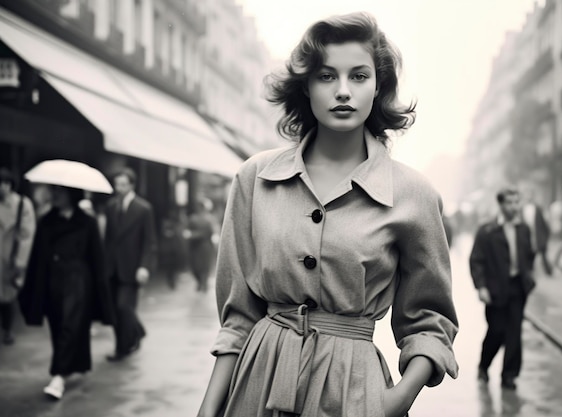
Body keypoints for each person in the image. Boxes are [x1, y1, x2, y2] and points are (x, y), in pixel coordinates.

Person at [197, 13, 458, 417]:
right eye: (325, 76)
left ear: (378, 86)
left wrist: (394, 401)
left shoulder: (413, 195)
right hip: (258, 382)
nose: (342, 91)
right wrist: (208, 410)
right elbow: (238, 319)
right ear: (306, 86)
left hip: (353, 392)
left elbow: (428, 321)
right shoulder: (255, 177)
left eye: (358, 76)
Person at [18, 185, 116, 399]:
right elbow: (38, 256)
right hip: (52, 280)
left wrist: (102, 292)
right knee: (57, 324)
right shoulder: (46, 222)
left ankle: (58, 376)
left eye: (59, 193)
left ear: (71, 195)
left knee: (70, 325)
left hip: (79, 280)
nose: (55, 196)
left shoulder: (87, 222)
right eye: (53, 192)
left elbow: (97, 258)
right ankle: (71, 365)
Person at [469, 187, 536, 390]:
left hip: (518, 288)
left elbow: (529, 255)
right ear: (500, 204)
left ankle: (509, 375)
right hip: (496, 289)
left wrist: (529, 277)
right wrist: (481, 287)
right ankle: (484, 365)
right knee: (496, 331)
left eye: (517, 202)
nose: (515, 207)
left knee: (514, 332)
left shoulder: (523, 229)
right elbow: (476, 260)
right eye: (510, 202)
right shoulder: (487, 230)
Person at [103, 168, 156, 362]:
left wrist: (144, 266)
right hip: (112, 266)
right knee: (114, 310)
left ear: (132, 185)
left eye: (123, 184)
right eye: (117, 184)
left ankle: (128, 341)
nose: (119, 188)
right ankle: (125, 344)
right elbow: (108, 238)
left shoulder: (143, 209)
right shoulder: (110, 206)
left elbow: (149, 241)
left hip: (132, 267)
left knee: (123, 307)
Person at [0, 167, 36, 345]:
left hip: (9, 257)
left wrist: (20, 261)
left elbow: (26, 234)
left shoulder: (22, 204)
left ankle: (7, 330)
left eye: (6, 183)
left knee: (7, 297)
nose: (2, 188)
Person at [183, 199, 218, 293]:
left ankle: (204, 284)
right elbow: (187, 230)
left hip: (205, 246)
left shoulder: (209, 219)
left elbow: (210, 232)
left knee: (204, 267)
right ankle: (200, 283)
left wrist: (192, 235)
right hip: (195, 247)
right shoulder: (193, 218)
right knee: (196, 267)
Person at [520, 185, 552, 276]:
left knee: (543, 255)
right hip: (527, 236)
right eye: (526, 195)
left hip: (538, 235)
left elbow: (543, 223)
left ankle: (549, 271)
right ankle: (530, 272)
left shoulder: (537, 208)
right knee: (529, 255)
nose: (528, 197)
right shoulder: (522, 209)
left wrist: (546, 235)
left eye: (529, 195)